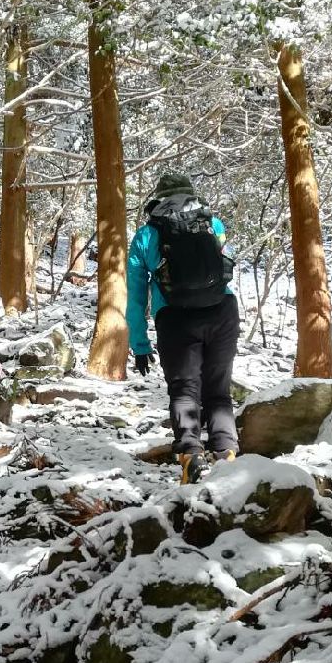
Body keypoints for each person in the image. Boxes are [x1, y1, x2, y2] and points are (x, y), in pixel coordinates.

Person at [126, 172, 240, 484]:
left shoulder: (146, 236)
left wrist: (140, 344)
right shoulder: (212, 224)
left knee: (185, 390)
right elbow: (226, 268)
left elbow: (135, 296)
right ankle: (227, 455)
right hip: (223, 312)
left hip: (176, 319)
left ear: (159, 199)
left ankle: (191, 457)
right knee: (218, 390)